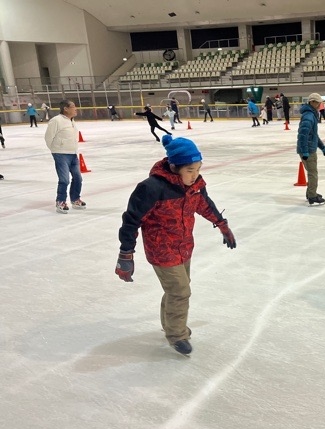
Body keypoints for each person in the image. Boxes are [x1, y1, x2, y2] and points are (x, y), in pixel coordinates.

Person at [115, 135, 236, 356]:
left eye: (198, 168)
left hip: (184, 247)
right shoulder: (151, 188)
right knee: (180, 292)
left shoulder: (195, 186)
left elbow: (205, 205)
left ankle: (169, 324)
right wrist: (126, 253)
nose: (195, 174)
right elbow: (131, 220)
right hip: (161, 250)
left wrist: (222, 224)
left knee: (176, 291)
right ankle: (177, 335)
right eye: (190, 170)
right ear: (174, 166)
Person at [44, 100, 86, 214]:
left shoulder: (72, 120)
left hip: (73, 153)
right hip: (61, 154)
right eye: (73, 106)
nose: (76, 108)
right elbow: (48, 138)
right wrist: (56, 150)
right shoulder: (56, 120)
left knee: (78, 178)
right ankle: (60, 201)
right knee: (64, 180)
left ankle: (75, 199)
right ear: (65, 109)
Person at [297, 93, 325, 206]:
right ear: (313, 102)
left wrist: (322, 147)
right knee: (313, 174)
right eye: (319, 102)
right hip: (308, 150)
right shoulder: (309, 116)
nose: (320, 104)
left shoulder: (311, 115)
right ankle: (312, 196)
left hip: (309, 148)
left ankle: (310, 193)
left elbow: (313, 135)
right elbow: (303, 135)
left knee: (312, 173)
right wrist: (305, 151)